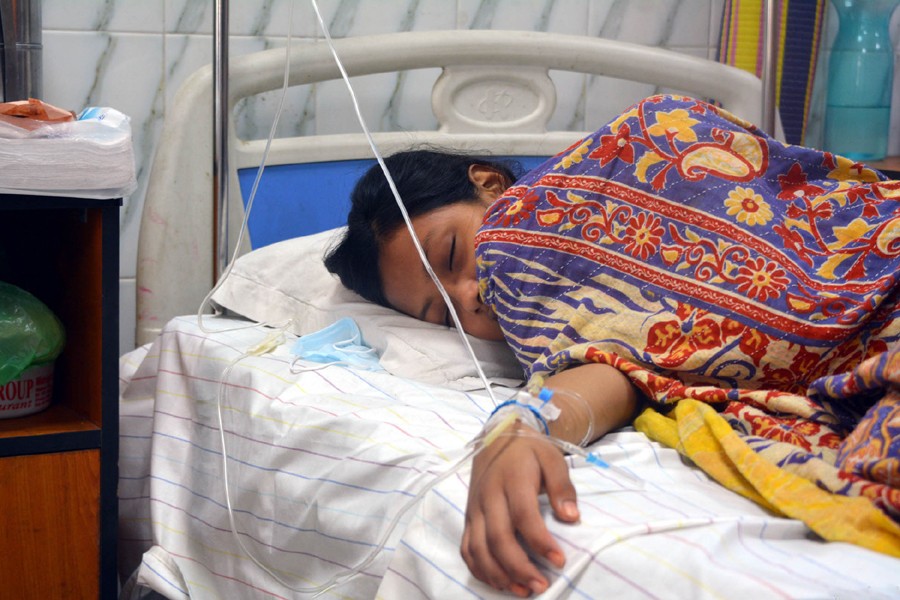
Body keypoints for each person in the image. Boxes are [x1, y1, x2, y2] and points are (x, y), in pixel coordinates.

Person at [325, 95, 900, 597]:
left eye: (453, 255)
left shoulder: (619, 165)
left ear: (489, 184)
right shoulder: (553, 325)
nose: (468, 295)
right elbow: (607, 369)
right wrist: (527, 425)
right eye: (442, 313)